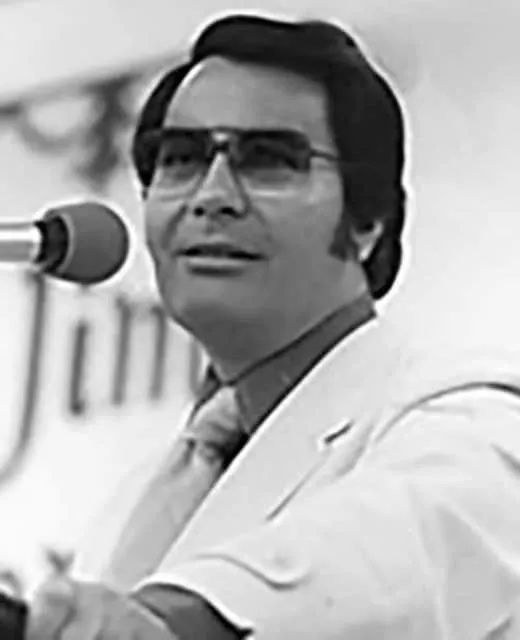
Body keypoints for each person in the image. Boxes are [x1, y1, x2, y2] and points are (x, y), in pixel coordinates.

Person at [27, 13, 520, 640]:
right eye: (181, 159)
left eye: (267, 161)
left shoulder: (473, 417)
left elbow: (398, 556)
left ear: (368, 221)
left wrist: (167, 623)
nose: (212, 195)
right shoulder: (140, 496)